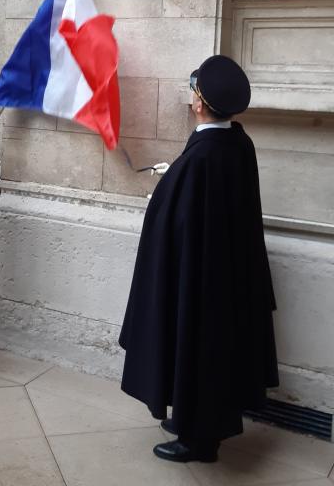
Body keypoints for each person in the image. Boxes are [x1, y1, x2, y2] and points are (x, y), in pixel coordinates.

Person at [119, 55, 278, 464]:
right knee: (207, 353)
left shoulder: (204, 155)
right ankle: (192, 419)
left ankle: (199, 440)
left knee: (200, 350)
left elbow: (176, 219)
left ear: (199, 103)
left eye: (194, 92)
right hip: (227, 275)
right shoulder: (237, 141)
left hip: (201, 278)